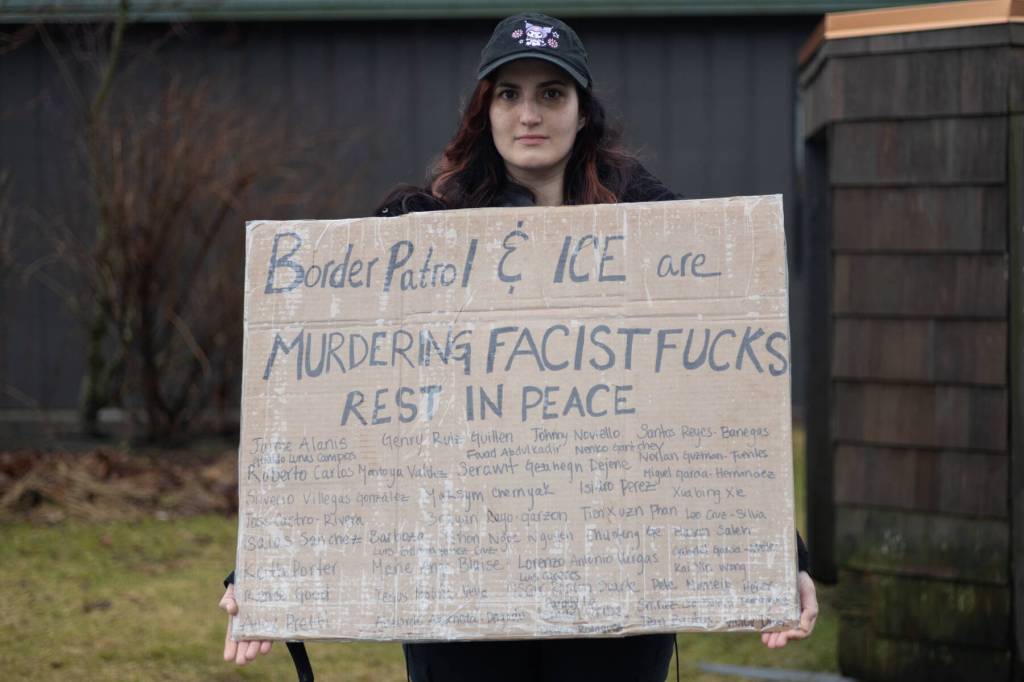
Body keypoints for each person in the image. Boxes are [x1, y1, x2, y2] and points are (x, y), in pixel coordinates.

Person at [220, 12, 818, 680]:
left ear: (583, 113)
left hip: (614, 580)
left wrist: (778, 558)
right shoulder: (415, 234)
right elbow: (334, 410)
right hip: (458, 581)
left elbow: (712, 407)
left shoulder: (658, 238)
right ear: (486, 110)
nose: (529, 113)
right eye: (509, 93)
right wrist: (261, 569)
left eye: (551, 94)